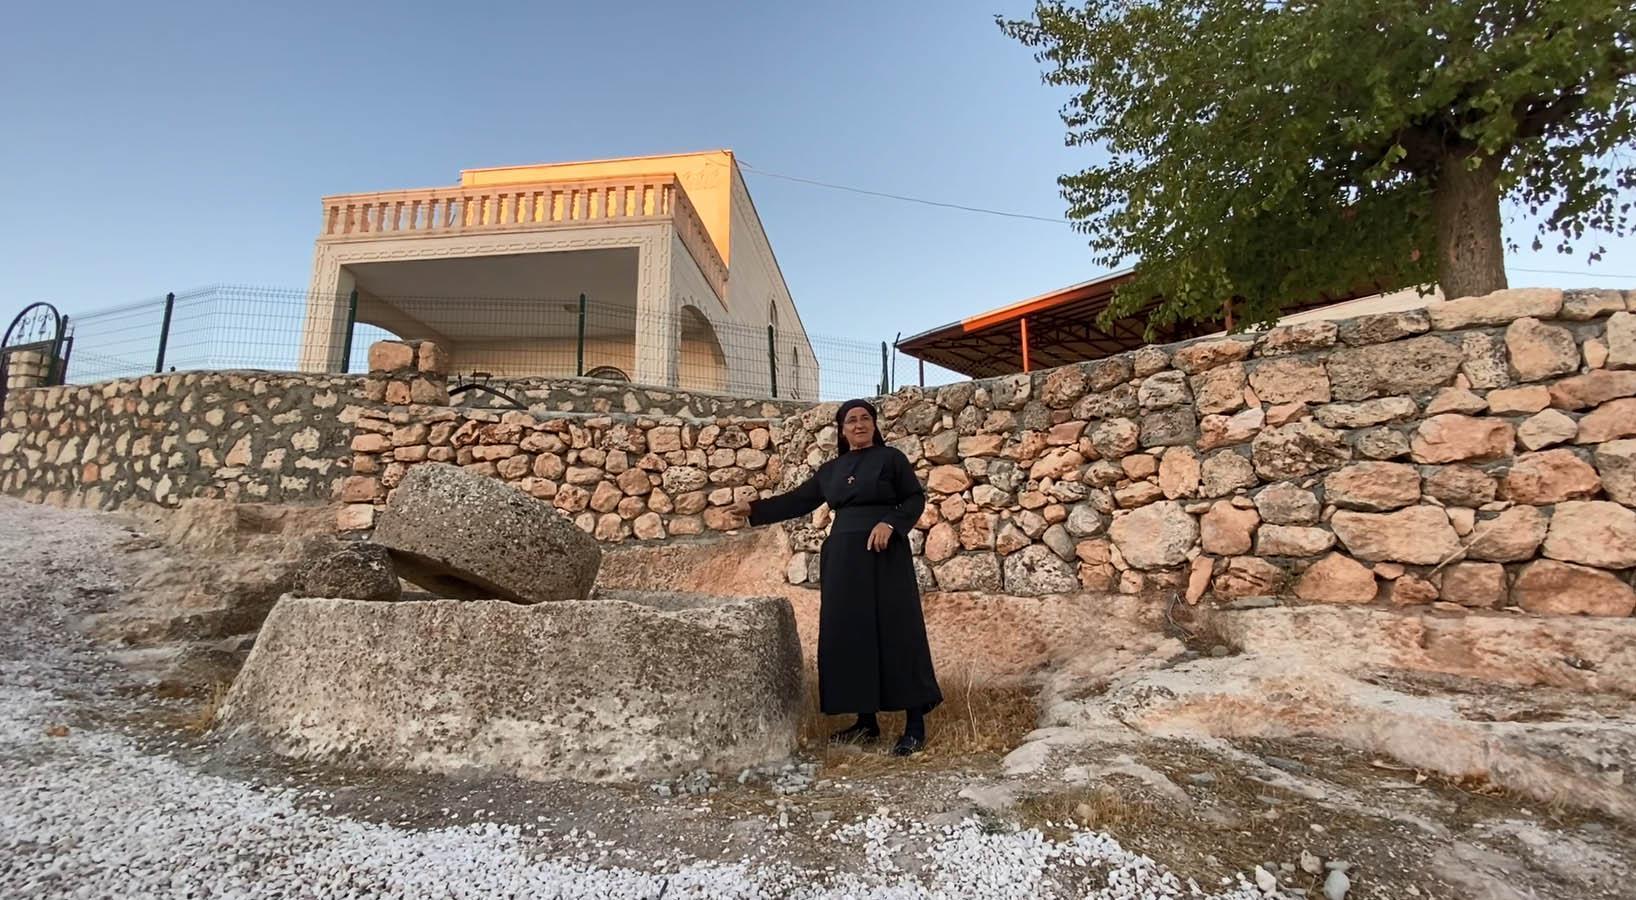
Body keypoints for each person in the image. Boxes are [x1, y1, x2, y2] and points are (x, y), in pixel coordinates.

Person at [730, 399, 942, 756]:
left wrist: (890, 523)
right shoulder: (832, 470)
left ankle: (914, 725)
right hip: (843, 561)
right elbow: (799, 500)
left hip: (885, 556)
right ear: (841, 430)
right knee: (850, 632)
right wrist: (753, 509)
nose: (858, 425)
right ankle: (866, 722)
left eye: (864, 419)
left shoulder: (892, 460)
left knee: (896, 630)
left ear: (874, 425)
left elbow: (913, 499)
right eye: (850, 421)